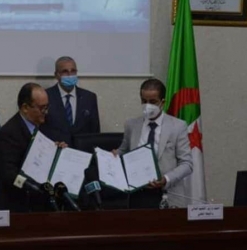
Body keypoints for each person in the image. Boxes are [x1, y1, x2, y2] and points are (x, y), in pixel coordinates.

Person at [115, 78, 193, 208]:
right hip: (138, 194)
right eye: (144, 101)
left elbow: (187, 164)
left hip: (167, 194)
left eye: (152, 102)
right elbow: (123, 151)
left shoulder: (178, 126)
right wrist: (112, 156)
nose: (147, 106)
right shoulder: (131, 125)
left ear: (163, 102)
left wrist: (166, 179)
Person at [0, 82, 66, 212]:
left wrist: (57, 151)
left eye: (47, 107)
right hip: (20, 205)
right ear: (25, 107)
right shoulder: (8, 133)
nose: (46, 112)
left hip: (44, 203)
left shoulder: (46, 125)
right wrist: (34, 186)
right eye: (42, 108)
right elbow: (8, 174)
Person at [41, 56, 100, 146]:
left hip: (82, 152)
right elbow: (41, 130)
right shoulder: (46, 96)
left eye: (73, 71)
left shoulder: (89, 98)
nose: (70, 75)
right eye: (65, 71)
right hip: (56, 150)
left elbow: (95, 132)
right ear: (56, 75)